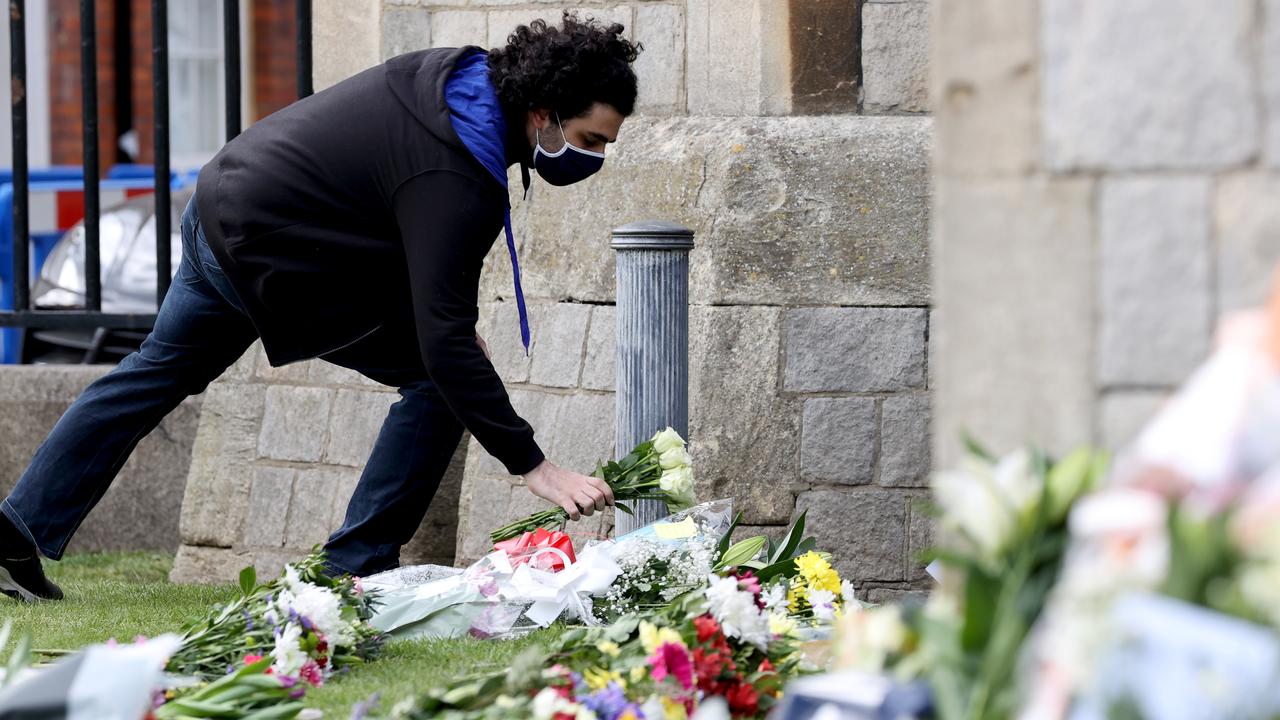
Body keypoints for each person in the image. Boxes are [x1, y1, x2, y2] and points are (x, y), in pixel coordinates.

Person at [0, 13, 641, 602]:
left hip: (224, 200)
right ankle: (352, 571)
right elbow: (442, 332)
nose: (594, 157)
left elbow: (375, 212)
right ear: (543, 113)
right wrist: (535, 465)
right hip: (271, 250)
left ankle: (12, 532)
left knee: (153, 373)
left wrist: (443, 333)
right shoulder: (455, 174)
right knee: (438, 380)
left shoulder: (456, 78)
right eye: (589, 138)